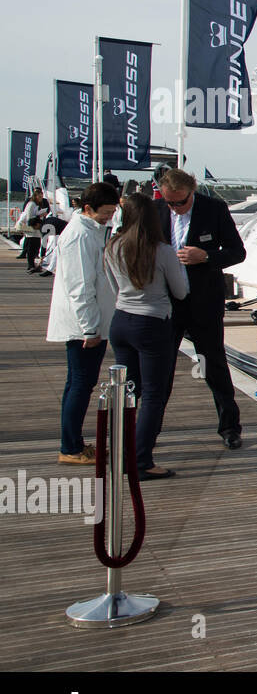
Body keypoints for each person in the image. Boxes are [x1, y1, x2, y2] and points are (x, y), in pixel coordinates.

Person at [154, 169, 247, 449]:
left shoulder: (214, 209)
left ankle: (230, 427)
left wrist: (205, 256)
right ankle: (149, 431)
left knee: (214, 364)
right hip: (166, 303)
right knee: (160, 368)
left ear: (192, 192)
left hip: (203, 300)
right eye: (169, 202)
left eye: (179, 203)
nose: (174, 208)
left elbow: (237, 252)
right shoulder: (155, 210)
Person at [105, 193, 190, 479]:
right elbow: (180, 291)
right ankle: (141, 461)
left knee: (128, 392)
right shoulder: (162, 251)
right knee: (154, 395)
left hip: (120, 321)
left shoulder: (112, 247)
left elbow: (112, 287)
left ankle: (119, 453)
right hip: (152, 322)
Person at [46, 182, 121, 465]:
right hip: (85, 326)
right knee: (80, 383)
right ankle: (70, 448)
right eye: (105, 212)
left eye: (113, 212)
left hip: (91, 323)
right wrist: (90, 328)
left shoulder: (90, 231)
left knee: (77, 383)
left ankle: (73, 442)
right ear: (87, 209)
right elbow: (80, 287)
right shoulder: (79, 236)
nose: (109, 217)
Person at [18, 187, 51, 273]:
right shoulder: (31, 204)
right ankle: (31, 265)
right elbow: (29, 218)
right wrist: (39, 216)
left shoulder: (36, 204)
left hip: (34, 228)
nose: (41, 199)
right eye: (39, 197)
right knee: (32, 246)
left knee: (34, 246)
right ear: (36, 196)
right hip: (32, 228)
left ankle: (32, 264)